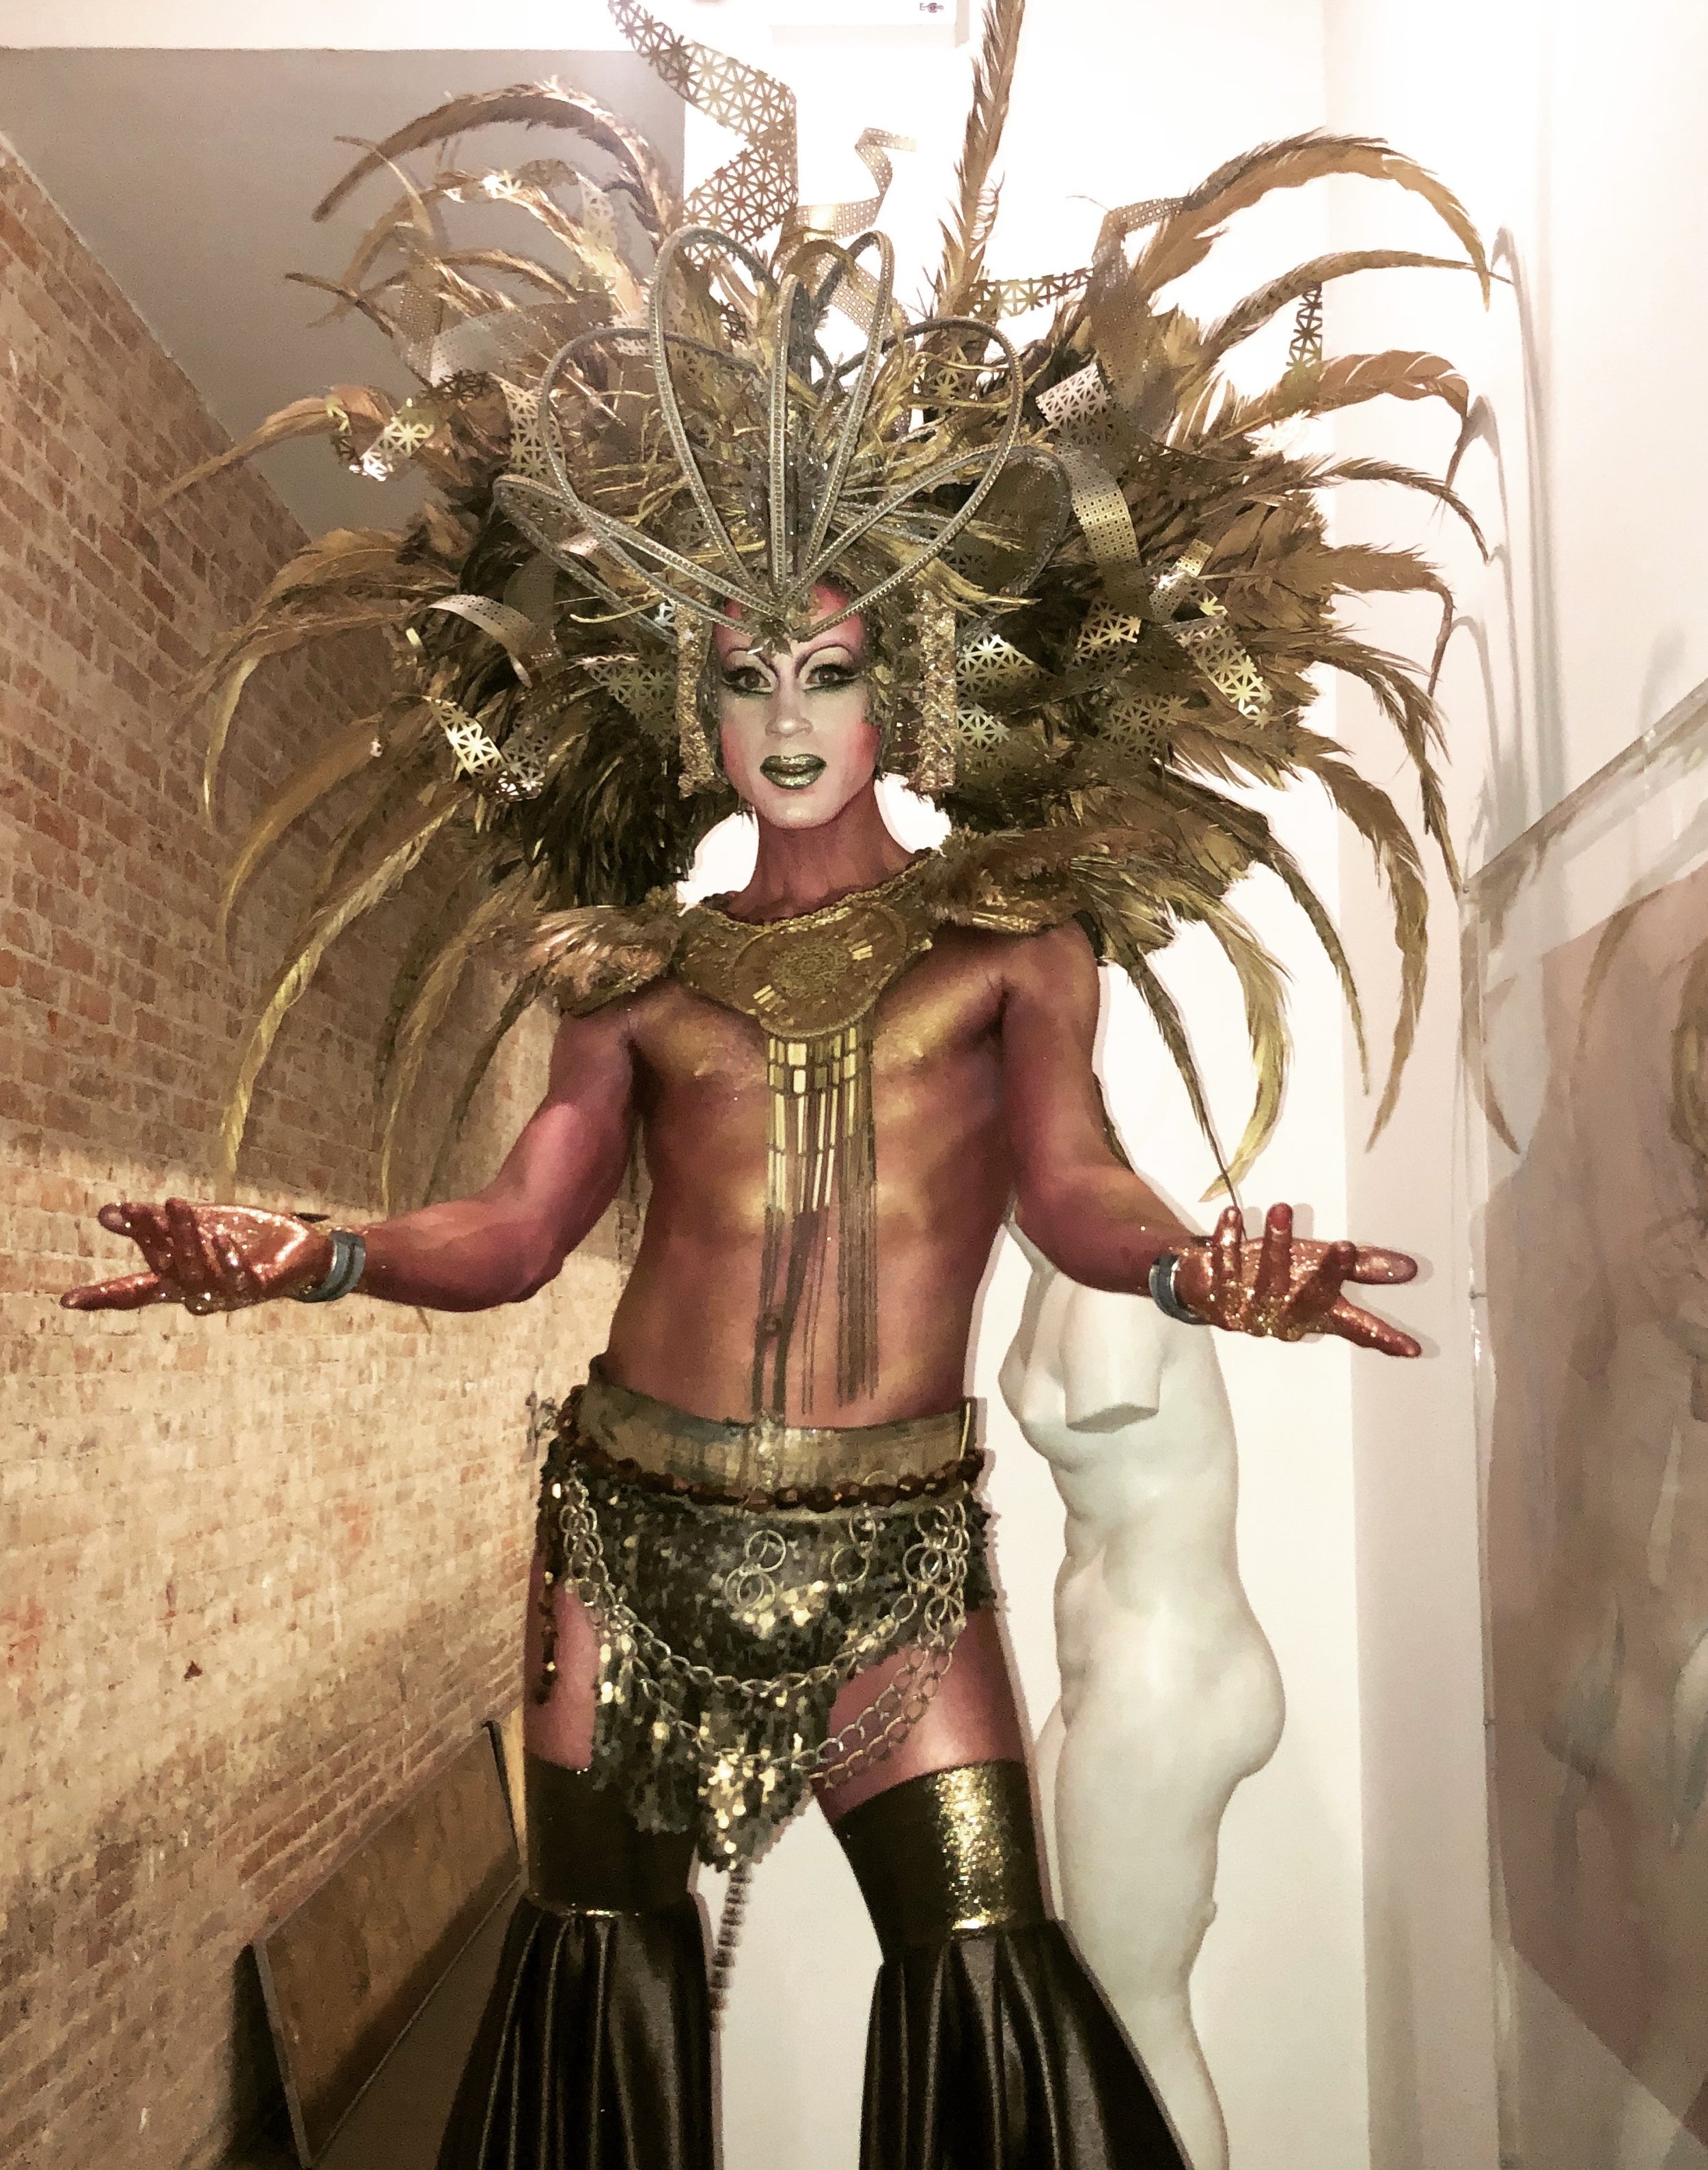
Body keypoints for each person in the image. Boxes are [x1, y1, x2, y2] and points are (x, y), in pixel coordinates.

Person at [62, 3, 1483, 2161]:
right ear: (694, 707)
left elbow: (1076, 1194)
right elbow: (519, 1233)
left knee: (986, 1973)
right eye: (744, 676)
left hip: (899, 1551)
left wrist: (1201, 1272)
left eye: (827, 667)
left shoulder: (1012, 943)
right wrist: (318, 1254)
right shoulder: (635, 972)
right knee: (593, 1985)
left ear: (900, 691)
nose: (789, 714)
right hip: (623, 1538)